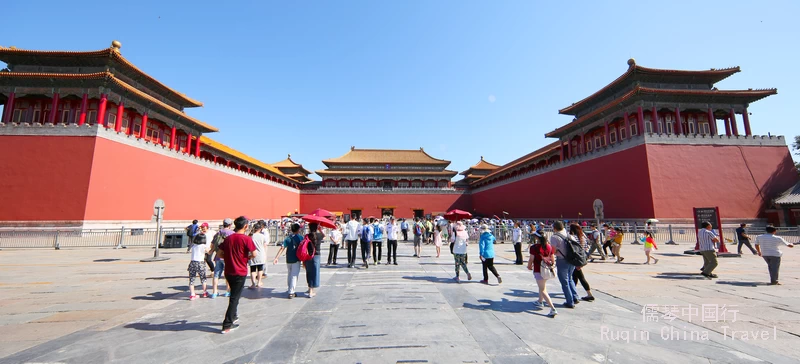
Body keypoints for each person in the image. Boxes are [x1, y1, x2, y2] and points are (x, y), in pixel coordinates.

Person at [216, 216, 257, 334]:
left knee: (234, 295)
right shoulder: (246, 239)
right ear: (245, 226)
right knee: (234, 298)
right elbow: (254, 254)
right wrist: (246, 257)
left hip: (229, 271)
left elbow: (219, 253)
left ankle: (233, 316)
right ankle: (227, 324)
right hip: (240, 271)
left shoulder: (228, 238)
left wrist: (229, 258)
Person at [529, 230, 557, 317]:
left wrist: (529, 266)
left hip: (538, 269)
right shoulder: (549, 247)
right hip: (547, 270)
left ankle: (552, 308)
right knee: (542, 286)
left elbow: (531, 259)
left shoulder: (534, 247)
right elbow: (552, 259)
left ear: (537, 238)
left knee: (543, 289)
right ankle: (540, 301)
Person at [551, 221, 579, 308]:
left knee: (564, 282)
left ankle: (570, 302)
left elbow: (553, 250)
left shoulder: (554, 237)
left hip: (562, 260)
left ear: (554, 228)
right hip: (572, 260)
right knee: (570, 279)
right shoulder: (570, 235)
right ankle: (575, 296)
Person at [273, 223, 302, 299]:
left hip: (288, 259)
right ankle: (291, 292)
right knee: (294, 276)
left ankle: (290, 289)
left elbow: (282, 248)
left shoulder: (287, 238)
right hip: (296, 259)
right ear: (298, 229)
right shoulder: (300, 238)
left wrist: (276, 257)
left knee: (289, 274)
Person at [210, 218, 235, 299]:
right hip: (228, 257)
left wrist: (212, 251)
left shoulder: (218, 233)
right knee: (227, 274)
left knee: (216, 275)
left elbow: (212, 245)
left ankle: (214, 292)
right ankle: (227, 291)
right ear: (230, 225)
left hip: (218, 256)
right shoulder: (232, 233)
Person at [569, 224, 594, 301]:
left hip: (575, 259)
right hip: (582, 258)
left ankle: (589, 294)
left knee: (580, 277)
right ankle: (573, 291)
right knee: (575, 276)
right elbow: (588, 246)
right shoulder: (583, 236)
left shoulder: (573, 237)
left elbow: (572, 249)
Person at [187, 233, 210, 300]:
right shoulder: (203, 246)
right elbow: (209, 252)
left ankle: (192, 294)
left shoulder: (194, 246)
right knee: (203, 278)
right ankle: (205, 292)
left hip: (192, 262)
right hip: (200, 263)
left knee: (192, 279)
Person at [305, 222, 324, 297]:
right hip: (316, 255)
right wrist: (320, 229)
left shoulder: (307, 236)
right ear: (316, 228)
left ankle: (310, 288)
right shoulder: (319, 235)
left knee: (309, 272)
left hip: (308, 255)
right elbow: (324, 236)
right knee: (315, 272)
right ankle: (311, 290)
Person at [248, 220, 268, 289]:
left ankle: (253, 283)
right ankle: (259, 282)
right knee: (260, 269)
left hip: (252, 254)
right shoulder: (262, 236)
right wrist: (265, 254)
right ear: (260, 229)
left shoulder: (251, 236)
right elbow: (265, 246)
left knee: (252, 269)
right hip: (261, 254)